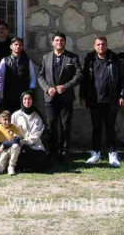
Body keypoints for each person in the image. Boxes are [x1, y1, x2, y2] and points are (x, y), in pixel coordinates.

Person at [80, 36, 124, 168]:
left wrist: (122, 95)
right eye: (98, 45)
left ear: (106, 45)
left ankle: (112, 154)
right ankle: (95, 153)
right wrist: (82, 97)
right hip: (94, 100)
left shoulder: (115, 60)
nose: (101, 47)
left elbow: (123, 79)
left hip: (111, 100)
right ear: (94, 46)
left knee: (110, 128)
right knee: (96, 128)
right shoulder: (90, 60)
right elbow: (84, 80)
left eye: (103, 44)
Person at [37, 32, 82, 161]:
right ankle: (52, 152)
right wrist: (47, 88)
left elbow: (79, 75)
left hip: (66, 97)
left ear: (65, 42)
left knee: (65, 125)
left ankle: (64, 152)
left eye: (61, 40)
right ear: (52, 43)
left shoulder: (72, 58)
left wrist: (66, 86)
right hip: (50, 98)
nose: (59, 43)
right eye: (56, 40)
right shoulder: (45, 58)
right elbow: (40, 76)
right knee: (51, 125)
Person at [11, 91, 48, 172]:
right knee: (21, 154)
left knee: (41, 159)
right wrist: (18, 140)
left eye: (29, 99)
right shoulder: (15, 115)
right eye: (25, 99)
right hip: (20, 146)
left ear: (33, 100)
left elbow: (35, 135)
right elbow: (11, 131)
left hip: (35, 146)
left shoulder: (37, 117)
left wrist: (24, 142)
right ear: (21, 100)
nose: (27, 101)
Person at [0, 37, 37, 115]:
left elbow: (32, 76)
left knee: (23, 116)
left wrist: (31, 89)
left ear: (22, 47)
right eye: (15, 44)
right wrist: (1, 94)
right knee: (9, 116)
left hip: (24, 94)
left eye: (20, 45)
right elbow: (1, 78)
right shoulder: (4, 61)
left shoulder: (27, 60)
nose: (18, 46)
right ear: (11, 46)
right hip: (9, 95)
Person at [0, 110, 22, 176]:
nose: (7, 121)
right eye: (5, 119)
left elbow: (16, 140)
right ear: (0, 120)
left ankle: (11, 166)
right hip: (1, 152)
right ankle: (6, 163)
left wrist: (4, 144)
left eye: (9, 119)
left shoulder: (14, 128)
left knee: (16, 146)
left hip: (11, 149)